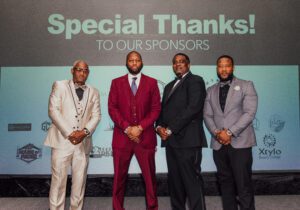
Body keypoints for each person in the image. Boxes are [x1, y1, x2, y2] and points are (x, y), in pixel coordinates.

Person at [44, 60, 101, 210]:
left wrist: (84, 132)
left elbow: (96, 116)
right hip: (62, 142)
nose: (82, 73)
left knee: (79, 182)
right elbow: (53, 111)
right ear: (72, 71)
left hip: (82, 143)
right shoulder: (59, 85)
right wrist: (70, 133)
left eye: (85, 71)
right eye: (79, 70)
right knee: (58, 182)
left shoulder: (94, 91)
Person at [108, 51, 161, 210]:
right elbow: (112, 108)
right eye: (131, 60)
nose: (134, 62)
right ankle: (117, 208)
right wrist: (127, 128)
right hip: (121, 139)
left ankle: (152, 207)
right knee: (119, 178)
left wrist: (139, 127)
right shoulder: (116, 83)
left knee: (150, 179)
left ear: (141, 62)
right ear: (126, 63)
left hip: (145, 138)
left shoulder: (151, 83)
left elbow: (156, 109)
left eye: (137, 60)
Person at [203, 55, 258, 210]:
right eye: (220, 66)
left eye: (227, 65)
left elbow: (249, 113)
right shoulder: (210, 90)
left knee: (243, 185)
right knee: (225, 184)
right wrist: (217, 133)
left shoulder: (247, 85)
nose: (224, 69)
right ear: (217, 68)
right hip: (219, 144)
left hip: (240, 143)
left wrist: (229, 132)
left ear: (232, 67)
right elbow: (207, 115)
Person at [156, 53, 207, 210]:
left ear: (188, 65)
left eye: (181, 62)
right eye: (175, 62)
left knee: (192, 182)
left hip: (188, 141)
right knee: (175, 183)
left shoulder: (196, 81)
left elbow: (193, 108)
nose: (178, 64)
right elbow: (162, 111)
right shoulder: (168, 86)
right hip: (171, 142)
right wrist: (159, 127)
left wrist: (170, 129)